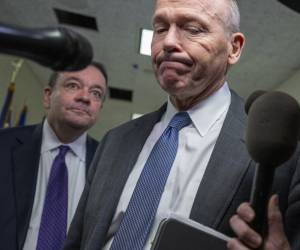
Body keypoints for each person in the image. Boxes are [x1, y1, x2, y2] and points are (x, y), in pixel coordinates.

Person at [65, 0, 300, 249]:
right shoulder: (114, 141)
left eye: (193, 29)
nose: (168, 42)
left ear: (234, 48)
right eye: (161, 28)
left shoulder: (285, 156)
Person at [0, 61, 108, 250]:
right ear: (48, 96)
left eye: (96, 93)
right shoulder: (4, 146)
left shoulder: (109, 164)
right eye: (73, 85)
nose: (85, 97)